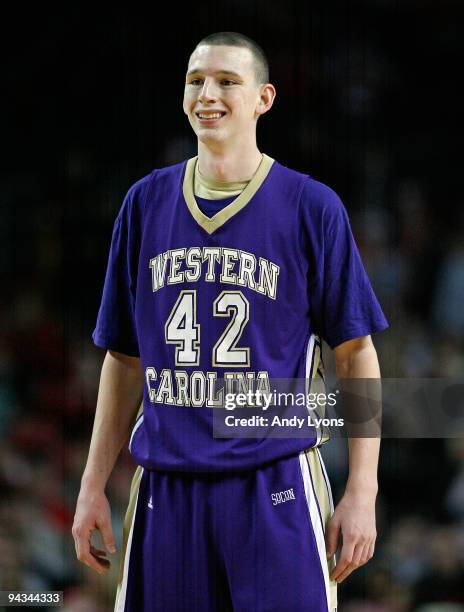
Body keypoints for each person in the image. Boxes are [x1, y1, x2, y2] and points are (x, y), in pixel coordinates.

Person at [72, 31, 388, 612]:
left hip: (275, 481)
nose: (207, 94)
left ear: (264, 98)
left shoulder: (311, 206)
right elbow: (122, 358)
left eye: (226, 81)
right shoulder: (143, 204)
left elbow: (356, 353)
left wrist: (362, 489)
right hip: (168, 486)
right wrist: (93, 485)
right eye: (195, 81)